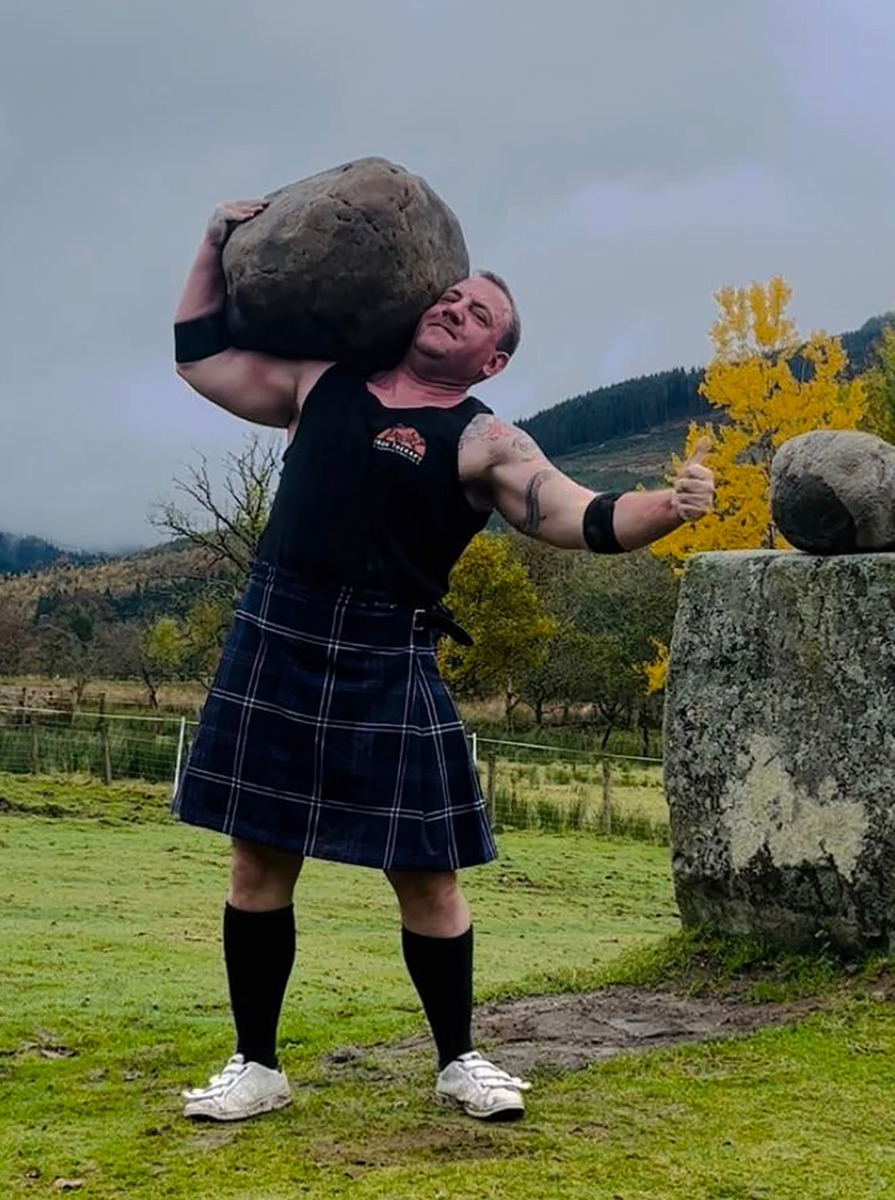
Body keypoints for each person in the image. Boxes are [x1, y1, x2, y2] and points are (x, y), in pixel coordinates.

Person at [170, 198, 715, 1124]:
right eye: (452, 298)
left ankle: (460, 1058)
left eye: (479, 317)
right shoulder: (320, 383)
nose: (456, 312)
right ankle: (255, 1065)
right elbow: (201, 358)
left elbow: (572, 513)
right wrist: (214, 239)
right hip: (277, 634)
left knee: (426, 869)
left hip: (387, 650)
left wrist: (670, 506)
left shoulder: (483, 437)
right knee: (257, 863)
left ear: (492, 359)